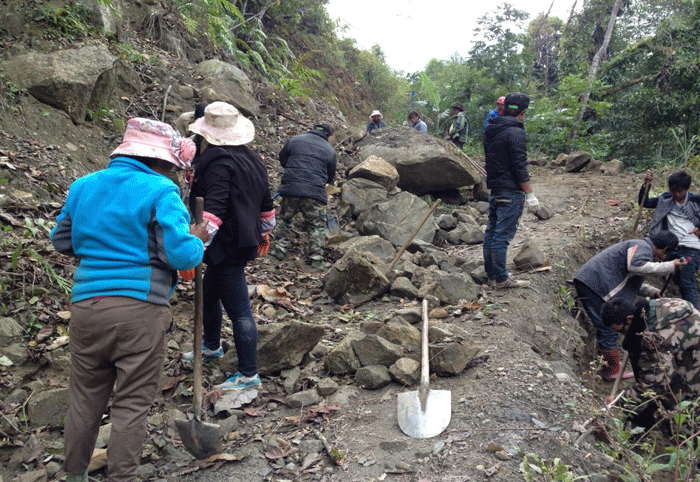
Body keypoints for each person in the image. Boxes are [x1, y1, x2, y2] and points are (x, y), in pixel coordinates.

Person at [51, 118, 208, 482]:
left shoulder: (83, 186)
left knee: (85, 397)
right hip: (140, 309)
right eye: (172, 165)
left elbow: (61, 240)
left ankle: (74, 475)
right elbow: (182, 257)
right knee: (132, 402)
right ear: (162, 161)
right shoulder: (159, 190)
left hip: (87, 307)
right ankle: (122, 477)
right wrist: (196, 237)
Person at [183, 102, 276, 391]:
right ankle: (212, 346)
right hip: (242, 239)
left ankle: (249, 375)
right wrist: (262, 232)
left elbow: (213, 211)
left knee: (240, 311)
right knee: (210, 293)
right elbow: (268, 209)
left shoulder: (218, 163)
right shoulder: (253, 159)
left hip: (226, 244)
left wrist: (192, 245)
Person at [573, 231, 688, 381]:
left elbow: (630, 280)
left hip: (594, 283)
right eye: (666, 254)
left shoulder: (640, 248)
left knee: (609, 326)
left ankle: (611, 366)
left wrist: (651, 291)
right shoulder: (642, 247)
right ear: (664, 249)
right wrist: (670, 266)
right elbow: (635, 266)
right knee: (609, 326)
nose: (663, 258)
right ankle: (611, 371)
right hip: (595, 285)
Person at [602, 296, 700, 430]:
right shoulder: (658, 306)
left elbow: (654, 384)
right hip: (689, 349)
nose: (619, 333)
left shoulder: (653, 339)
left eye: (618, 328)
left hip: (693, 365)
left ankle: (688, 444)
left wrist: (620, 404)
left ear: (630, 318)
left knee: (680, 415)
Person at [482, 92, 539, 290]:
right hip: (510, 192)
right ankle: (502, 279)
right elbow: (519, 166)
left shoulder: (491, 128)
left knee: (491, 233)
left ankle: (492, 276)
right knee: (501, 237)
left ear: (504, 108)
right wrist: (530, 194)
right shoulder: (515, 132)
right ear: (522, 113)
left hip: (495, 189)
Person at [270, 123, 337, 267]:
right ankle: (316, 259)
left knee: (285, 219)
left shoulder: (294, 140)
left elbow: (283, 159)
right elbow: (330, 176)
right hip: (314, 193)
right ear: (327, 135)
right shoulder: (329, 150)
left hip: (290, 188)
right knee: (316, 226)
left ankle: (279, 250)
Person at [639, 169, 700, 307]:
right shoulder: (665, 199)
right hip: (671, 246)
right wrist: (646, 186)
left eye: (681, 192)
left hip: (691, 247)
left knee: (686, 282)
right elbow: (645, 202)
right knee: (677, 280)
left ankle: (692, 316)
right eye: (674, 192)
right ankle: (686, 309)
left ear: (687, 189)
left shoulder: (696, 201)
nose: (677, 195)